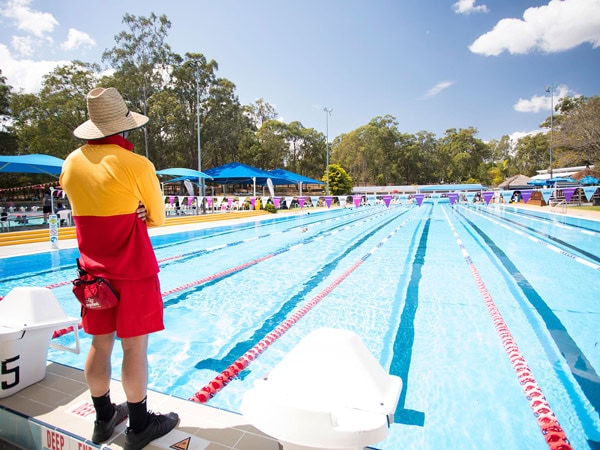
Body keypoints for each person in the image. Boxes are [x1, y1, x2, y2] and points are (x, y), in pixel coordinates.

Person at [59, 87, 178, 449]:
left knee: (100, 343)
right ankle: (140, 425)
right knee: (134, 349)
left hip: (93, 274)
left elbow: (83, 200)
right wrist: (139, 210)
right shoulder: (136, 164)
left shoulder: (71, 163)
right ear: (123, 128)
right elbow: (156, 216)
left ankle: (103, 418)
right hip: (133, 271)